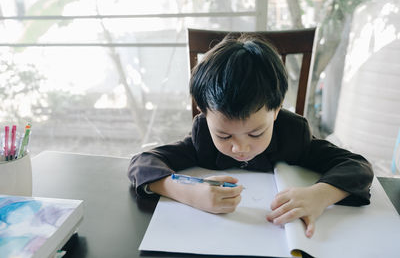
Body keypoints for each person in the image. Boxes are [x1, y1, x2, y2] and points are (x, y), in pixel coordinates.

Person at [128, 34, 373, 238]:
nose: (240, 148)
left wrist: (319, 195)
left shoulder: (293, 134)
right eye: (224, 136)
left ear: (276, 111)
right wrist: (186, 192)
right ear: (204, 114)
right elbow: (142, 162)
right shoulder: (202, 135)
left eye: (256, 133)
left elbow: (357, 167)